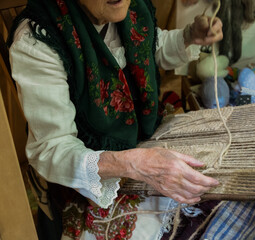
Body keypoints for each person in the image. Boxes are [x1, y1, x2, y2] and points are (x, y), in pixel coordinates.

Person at [8, 0, 223, 239]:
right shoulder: (39, 40)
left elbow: (152, 48)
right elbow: (52, 150)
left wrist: (189, 35)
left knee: (219, 201)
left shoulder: (129, 9)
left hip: (142, 140)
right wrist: (132, 164)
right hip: (86, 176)